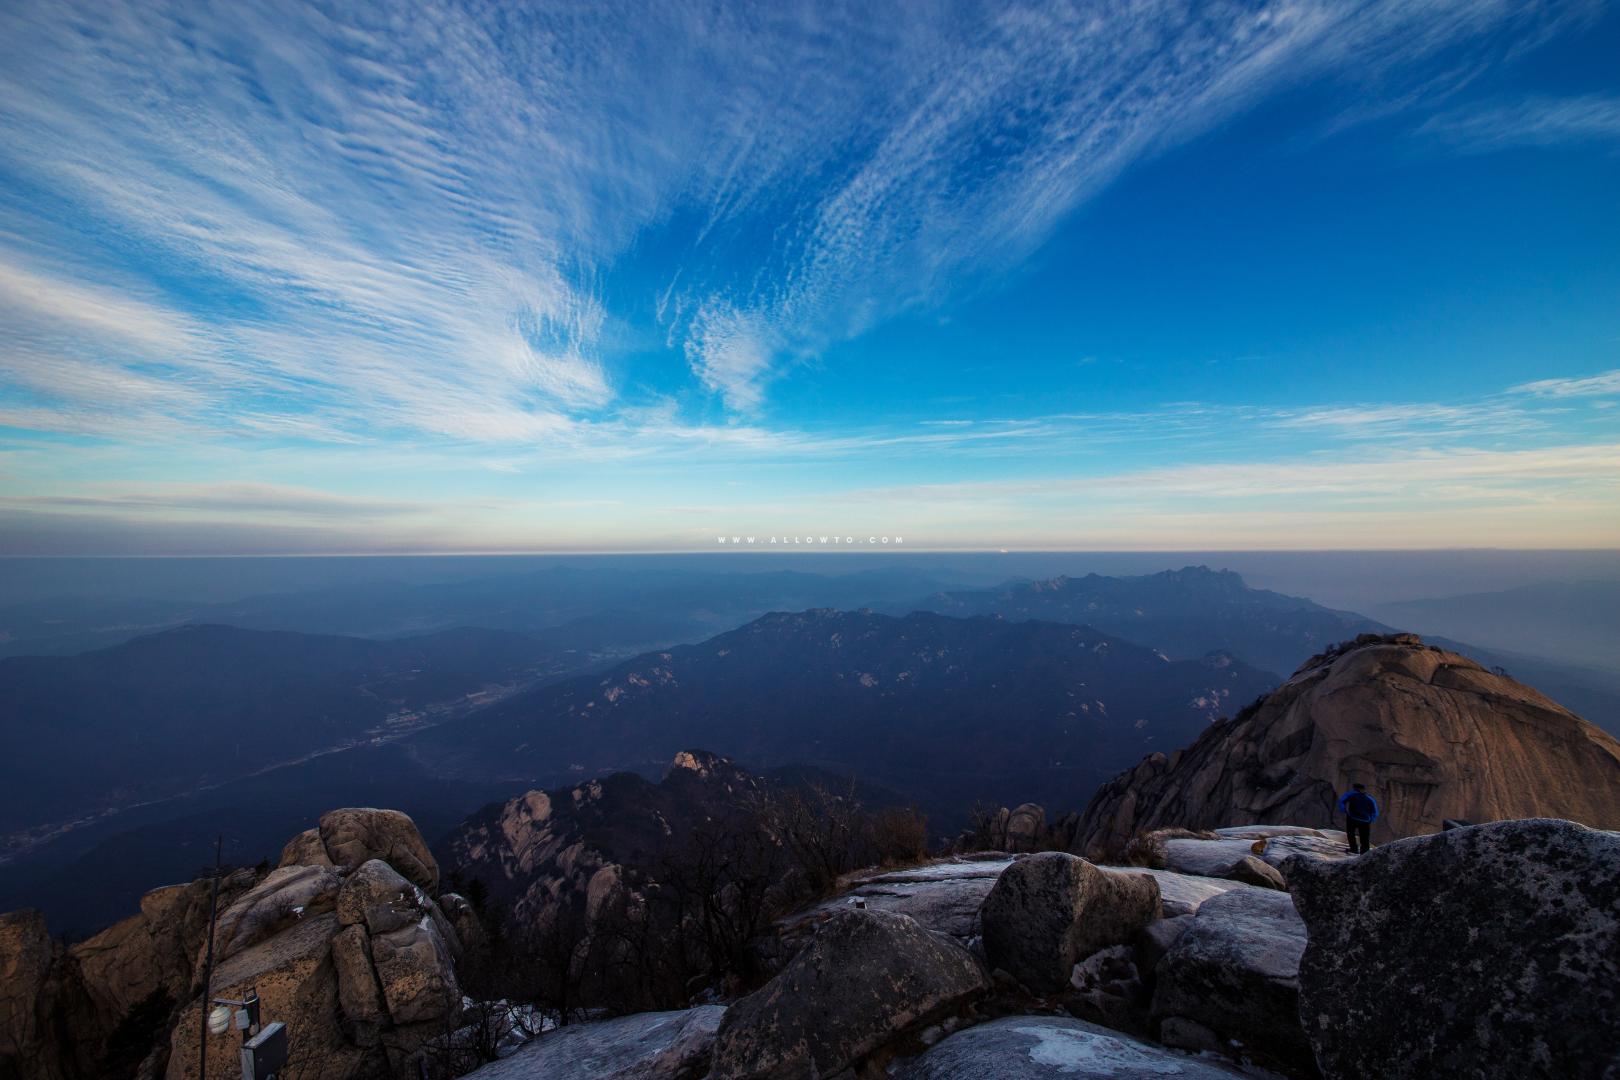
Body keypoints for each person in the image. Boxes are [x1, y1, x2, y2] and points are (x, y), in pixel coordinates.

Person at [1337, 782, 1379, 854]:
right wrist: (1371, 819)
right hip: (1365, 820)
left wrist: (1344, 810)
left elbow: (1341, 800)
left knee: (1351, 834)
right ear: (1363, 789)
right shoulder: (1369, 798)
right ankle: (1365, 853)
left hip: (1352, 818)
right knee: (1364, 837)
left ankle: (1354, 849)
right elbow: (1375, 811)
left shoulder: (1351, 794)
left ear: (1355, 788)